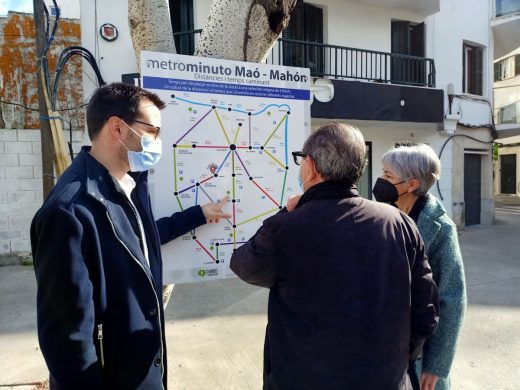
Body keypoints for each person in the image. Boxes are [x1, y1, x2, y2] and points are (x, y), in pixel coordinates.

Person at [30, 82, 231, 389]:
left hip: (142, 371)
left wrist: (199, 215)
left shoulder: (130, 185)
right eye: (152, 131)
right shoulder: (68, 212)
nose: (157, 141)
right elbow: (67, 340)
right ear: (118, 128)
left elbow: (140, 240)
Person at [230, 122, 439, 389]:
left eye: (301, 160)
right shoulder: (400, 223)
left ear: (312, 166)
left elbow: (244, 265)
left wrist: (284, 214)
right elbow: (426, 312)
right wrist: (394, 360)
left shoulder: (286, 228)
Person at [373, 144, 466, 390]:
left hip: (421, 357)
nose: (380, 181)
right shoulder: (383, 215)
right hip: (385, 348)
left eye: (388, 176)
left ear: (411, 184)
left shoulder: (441, 229)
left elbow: (452, 297)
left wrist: (436, 366)